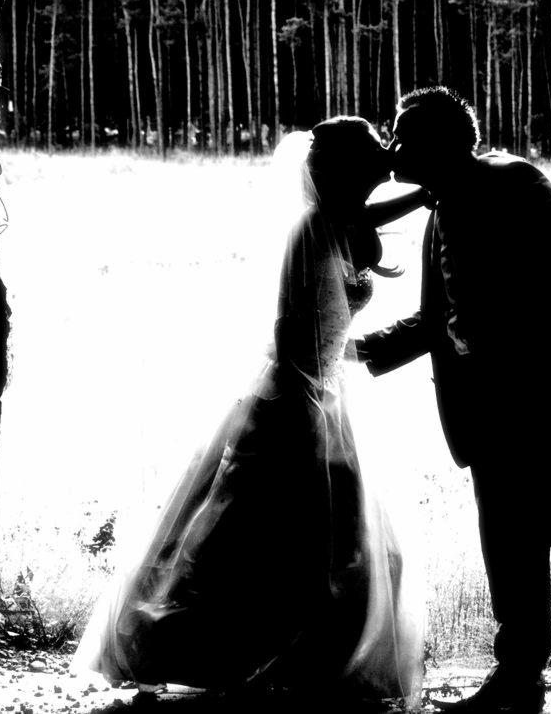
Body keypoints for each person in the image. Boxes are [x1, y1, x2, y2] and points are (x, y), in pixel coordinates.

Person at [74, 117, 428, 708]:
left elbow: (376, 215)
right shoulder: (315, 227)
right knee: (278, 539)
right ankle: (257, 659)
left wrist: (430, 189)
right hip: (298, 396)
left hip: (329, 390)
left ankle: (316, 660)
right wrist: (308, 407)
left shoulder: (342, 219)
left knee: (334, 540)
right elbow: (293, 334)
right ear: (346, 170)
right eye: (375, 153)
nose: (387, 157)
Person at [355, 87, 551, 714]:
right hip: (487, 409)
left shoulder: (515, 180)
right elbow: (436, 319)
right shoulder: (437, 210)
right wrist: (356, 353)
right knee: (508, 544)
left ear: (439, 140)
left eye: (404, 135)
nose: (395, 147)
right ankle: (519, 678)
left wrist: (492, 340)